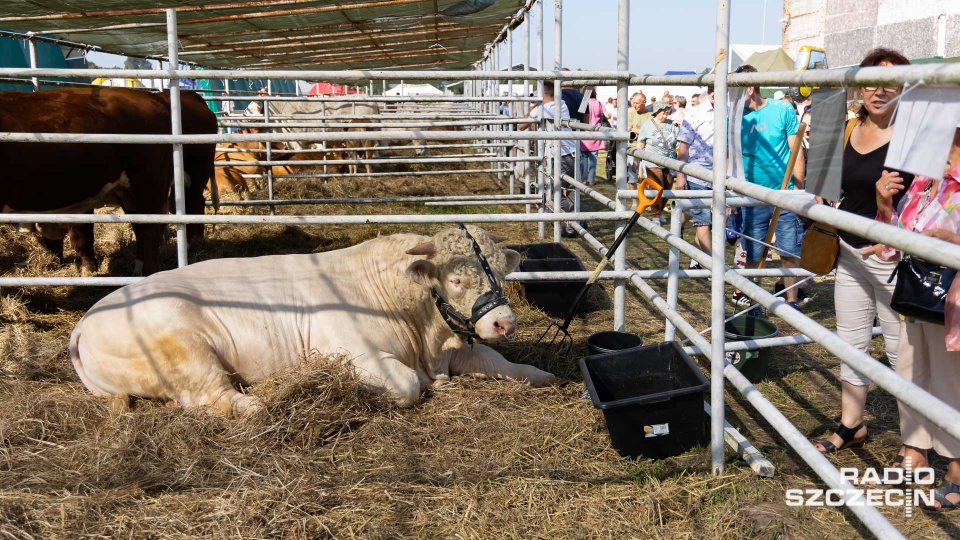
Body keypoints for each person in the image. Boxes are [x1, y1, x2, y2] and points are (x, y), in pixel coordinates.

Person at [814, 48, 914, 454]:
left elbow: (930, 199)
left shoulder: (913, 135)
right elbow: (827, 187)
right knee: (850, 341)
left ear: (905, 87)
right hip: (850, 251)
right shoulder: (848, 128)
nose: (879, 90)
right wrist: (820, 196)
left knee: (900, 350)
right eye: (871, 80)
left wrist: (890, 230)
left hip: (894, 257)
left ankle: (915, 443)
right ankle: (851, 425)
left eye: (890, 81)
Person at [875, 123, 960, 511]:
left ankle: (958, 466)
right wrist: (884, 205)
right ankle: (916, 449)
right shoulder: (926, 179)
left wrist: (952, 244)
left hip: (953, 299)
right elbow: (892, 241)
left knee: (951, 378)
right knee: (911, 369)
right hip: (917, 294)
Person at [731, 65, 806, 310]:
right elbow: (731, 156)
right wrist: (734, 194)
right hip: (753, 195)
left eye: (737, 90)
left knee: (788, 248)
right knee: (754, 250)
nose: (732, 96)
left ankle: (791, 299)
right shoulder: (735, 118)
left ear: (750, 88)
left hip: (784, 193)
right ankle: (754, 299)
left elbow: (796, 151)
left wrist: (799, 189)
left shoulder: (782, 109)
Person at [519, 81, 579, 237]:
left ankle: (570, 219)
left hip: (558, 155)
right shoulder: (562, 104)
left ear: (542, 95)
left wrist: (532, 108)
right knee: (570, 188)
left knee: (553, 190)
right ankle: (575, 221)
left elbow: (521, 126)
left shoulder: (543, 109)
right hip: (569, 152)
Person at [674, 86, 715, 267]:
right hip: (697, 173)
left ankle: (696, 258)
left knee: (704, 217)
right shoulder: (695, 113)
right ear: (710, 92)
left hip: (720, 174)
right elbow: (683, 147)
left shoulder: (732, 111)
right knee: (704, 220)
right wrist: (680, 175)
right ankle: (716, 267)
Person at [637, 100, 679, 224]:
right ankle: (655, 215)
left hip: (670, 161)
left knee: (667, 187)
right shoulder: (647, 125)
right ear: (657, 111)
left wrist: (680, 125)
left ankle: (660, 211)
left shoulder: (672, 124)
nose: (666, 112)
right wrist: (637, 162)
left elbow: (680, 140)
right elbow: (640, 143)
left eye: (668, 110)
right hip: (652, 161)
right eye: (663, 110)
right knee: (657, 187)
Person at [579, 87, 605, 187]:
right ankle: (591, 179)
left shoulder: (583, 103)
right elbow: (607, 115)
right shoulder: (599, 103)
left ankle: (584, 179)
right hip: (595, 134)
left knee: (584, 158)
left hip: (584, 134)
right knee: (593, 159)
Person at [627, 92, 651, 195]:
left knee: (648, 176)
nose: (634, 105)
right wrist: (639, 130)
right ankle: (634, 202)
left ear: (644, 102)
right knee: (633, 176)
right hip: (633, 148)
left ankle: (648, 199)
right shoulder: (631, 114)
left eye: (637, 103)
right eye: (633, 103)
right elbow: (628, 129)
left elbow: (650, 132)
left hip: (647, 149)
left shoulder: (650, 116)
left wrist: (636, 129)